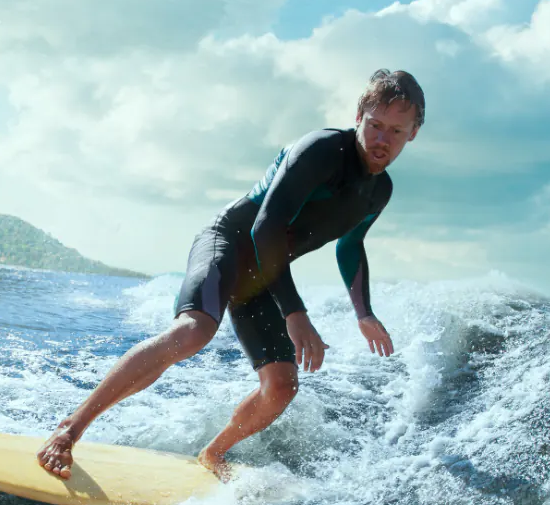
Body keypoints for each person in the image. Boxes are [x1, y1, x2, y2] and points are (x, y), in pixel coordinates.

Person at [37, 69, 425, 481]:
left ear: (412, 134)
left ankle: (212, 454)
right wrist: (295, 312)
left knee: (281, 386)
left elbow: (351, 245)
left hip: (263, 274)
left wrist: (363, 313)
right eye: (376, 125)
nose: (382, 140)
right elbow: (265, 228)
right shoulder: (323, 150)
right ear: (359, 115)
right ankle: (69, 430)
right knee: (192, 333)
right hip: (229, 243)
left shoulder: (379, 191)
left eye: (396, 131)